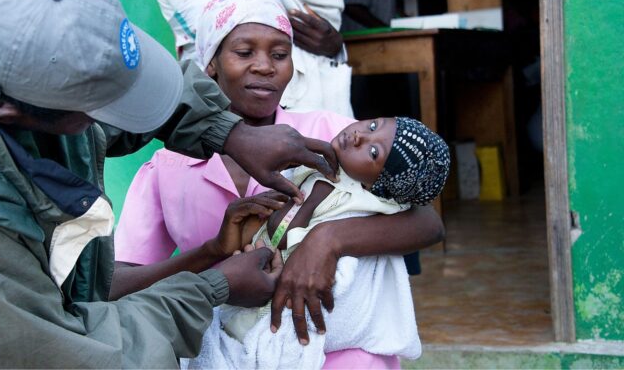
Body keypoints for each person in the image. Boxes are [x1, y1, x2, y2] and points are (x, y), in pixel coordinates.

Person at [0, 0, 353, 368]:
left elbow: (116, 76)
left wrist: (230, 132)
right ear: (15, 116)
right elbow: (73, 355)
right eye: (101, 110)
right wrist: (213, 286)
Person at [114, 0, 445, 369]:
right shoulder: (166, 169)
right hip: (225, 344)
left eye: (280, 54)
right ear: (211, 64)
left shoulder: (329, 134)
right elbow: (117, 283)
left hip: (330, 346)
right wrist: (211, 260)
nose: (265, 66)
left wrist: (326, 241)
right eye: (243, 52)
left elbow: (427, 222)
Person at [188, 116, 451, 369]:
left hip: (284, 321)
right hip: (241, 300)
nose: (360, 136)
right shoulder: (316, 165)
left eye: (373, 153)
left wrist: (326, 239)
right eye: (373, 125)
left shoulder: (367, 206)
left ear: (381, 188)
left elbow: (427, 222)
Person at [151, 0, 354, 116]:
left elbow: (315, 17)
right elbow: (223, 31)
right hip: (232, 121)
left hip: (316, 105)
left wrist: (334, 46)